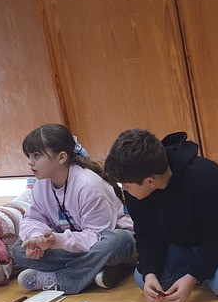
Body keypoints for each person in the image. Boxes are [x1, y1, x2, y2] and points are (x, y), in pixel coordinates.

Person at [103, 128, 218, 302]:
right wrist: (150, 273)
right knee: (143, 278)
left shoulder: (203, 177)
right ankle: (217, 264)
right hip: (182, 238)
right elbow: (146, 234)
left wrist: (193, 277)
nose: (125, 190)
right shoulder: (136, 190)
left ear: (150, 182)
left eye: (126, 186)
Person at [16, 124, 135, 293]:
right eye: (29, 155)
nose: (30, 161)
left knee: (116, 241)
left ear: (61, 157)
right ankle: (95, 271)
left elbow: (96, 236)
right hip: (79, 248)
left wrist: (55, 241)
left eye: (36, 155)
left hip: (108, 244)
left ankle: (65, 279)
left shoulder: (88, 185)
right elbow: (33, 219)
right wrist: (37, 239)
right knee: (18, 249)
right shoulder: (41, 185)